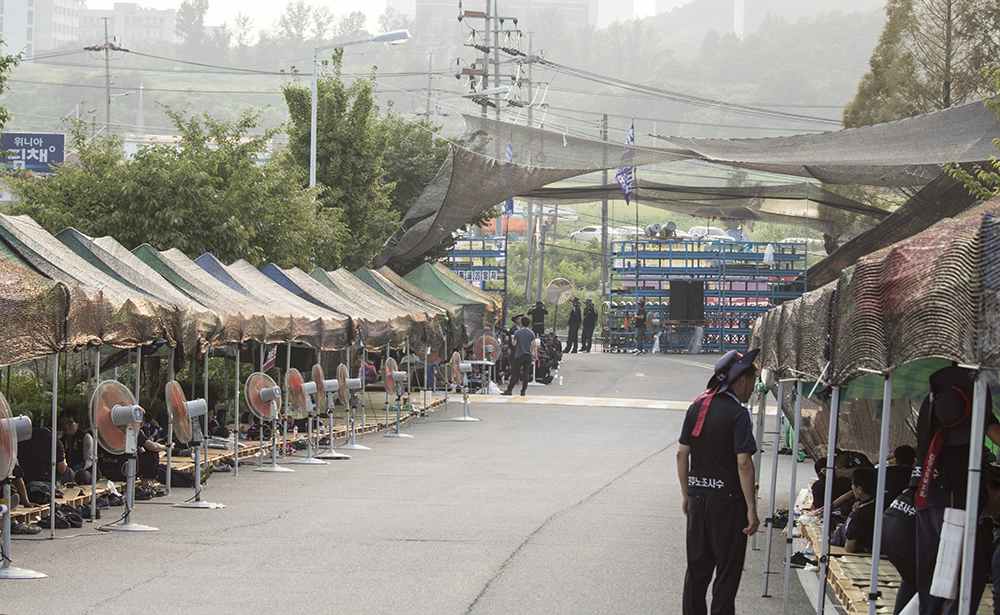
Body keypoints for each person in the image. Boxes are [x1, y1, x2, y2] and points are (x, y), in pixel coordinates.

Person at [910, 366, 1000, 615]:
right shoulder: (968, 403)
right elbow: (997, 435)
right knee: (968, 576)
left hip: (925, 495)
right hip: (952, 501)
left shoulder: (933, 405)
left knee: (931, 576)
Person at [677, 349, 760, 615]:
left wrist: (686, 494)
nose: (753, 389)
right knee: (727, 573)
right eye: (754, 383)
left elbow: (681, 454)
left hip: (699, 500)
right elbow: (744, 463)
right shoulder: (738, 414)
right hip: (728, 504)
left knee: (697, 571)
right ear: (742, 380)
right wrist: (751, 508)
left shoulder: (696, 406)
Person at [882, 487, 917, 615]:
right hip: (902, 533)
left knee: (911, 578)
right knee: (928, 580)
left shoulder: (911, 490)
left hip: (887, 526)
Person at [17, 417, 71, 497]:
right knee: (68, 472)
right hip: (39, 478)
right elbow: (62, 469)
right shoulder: (55, 441)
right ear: (59, 433)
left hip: (21, 476)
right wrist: (64, 458)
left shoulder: (30, 433)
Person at [830, 467, 878, 553]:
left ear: (859, 489)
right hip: (870, 545)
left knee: (834, 534)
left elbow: (849, 548)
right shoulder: (880, 506)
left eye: (853, 485)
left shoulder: (857, 515)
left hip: (844, 539)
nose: (852, 487)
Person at [59, 410, 96, 485]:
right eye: (64, 423)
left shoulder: (85, 437)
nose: (66, 426)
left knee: (83, 475)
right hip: (66, 470)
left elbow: (89, 460)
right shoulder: (61, 437)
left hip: (83, 470)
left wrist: (74, 470)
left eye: (70, 422)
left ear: (77, 424)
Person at [503, 316, 536, 396]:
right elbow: (534, 345)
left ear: (521, 322)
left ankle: (509, 390)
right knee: (526, 373)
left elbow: (514, 344)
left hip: (519, 355)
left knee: (515, 373)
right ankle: (523, 390)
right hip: (528, 355)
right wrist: (535, 355)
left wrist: (512, 338)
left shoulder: (517, 332)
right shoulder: (531, 333)